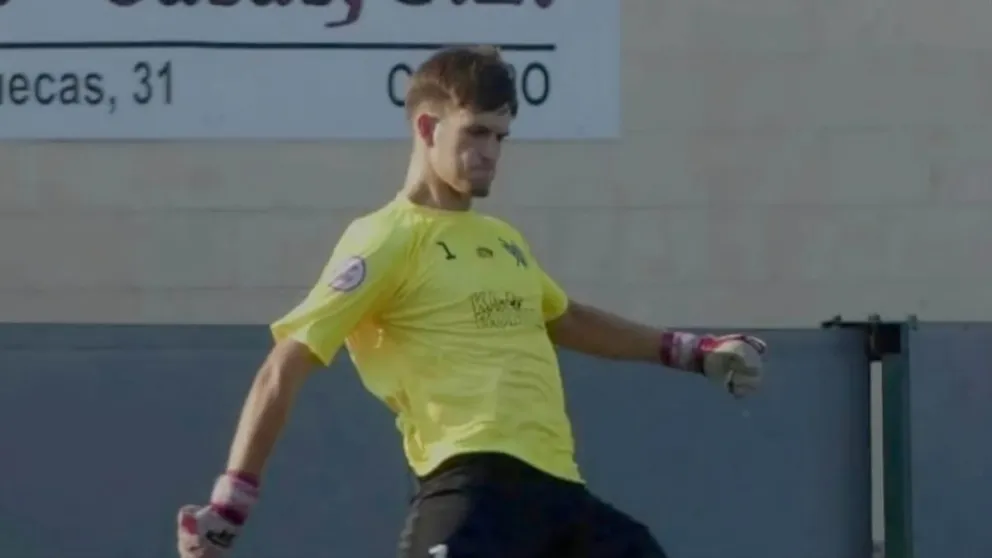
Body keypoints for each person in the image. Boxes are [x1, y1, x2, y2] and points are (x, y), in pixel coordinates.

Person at [176, 45, 767, 558]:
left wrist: (695, 351)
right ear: (429, 129)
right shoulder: (386, 237)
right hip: (469, 489)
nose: (491, 152)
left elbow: (567, 318)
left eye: (500, 136)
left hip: (561, 495)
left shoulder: (503, 240)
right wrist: (231, 502)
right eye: (475, 132)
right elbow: (287, 363)